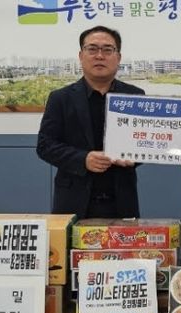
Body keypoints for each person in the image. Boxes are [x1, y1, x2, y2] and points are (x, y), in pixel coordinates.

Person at [37, 26, 144, 218]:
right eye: (92, 49)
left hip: (122, 202)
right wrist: (83, 159)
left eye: (107, 50)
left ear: (118, 57)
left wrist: (134, 157)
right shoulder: (60, 98)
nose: (99, 56)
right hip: (73, 202)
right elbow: (45, 146)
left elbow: (145, 143)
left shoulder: (135, 96)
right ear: (81, 55)